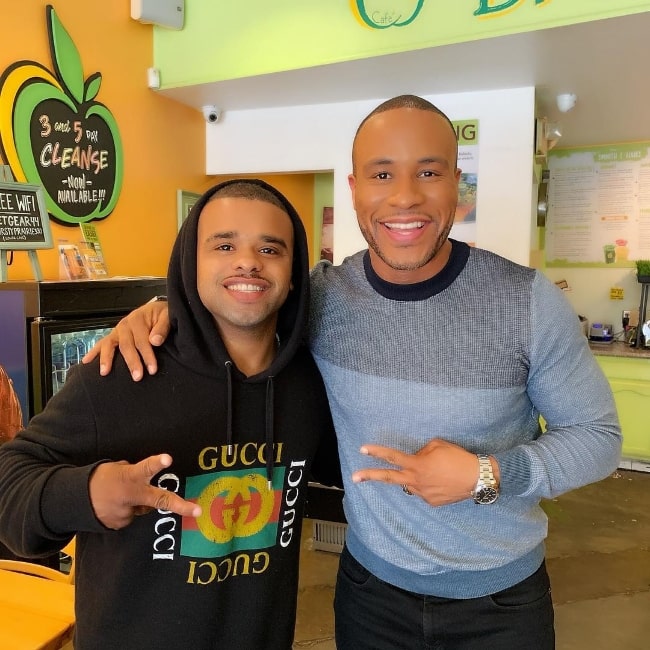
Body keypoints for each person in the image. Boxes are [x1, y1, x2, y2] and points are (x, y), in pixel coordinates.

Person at [85, 96, 622, 649]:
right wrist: (164, 308)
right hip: (369, 594)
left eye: (429, 172)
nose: (405, 196)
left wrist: (487, 475)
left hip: (500, 604)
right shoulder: (323, 298)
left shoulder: (525, 301)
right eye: (382, 173)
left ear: (457, 186)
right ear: (355, 189)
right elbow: (242, 294)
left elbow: (599, 438)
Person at [0, 179, 340, 650]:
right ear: (189, 262)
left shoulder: (309, 383)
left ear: (295, 272)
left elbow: (347, 475)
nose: (247, 261)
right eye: (224, 244)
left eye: (270, 248)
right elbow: (8, 484)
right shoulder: (123, 372)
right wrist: (87, 493)